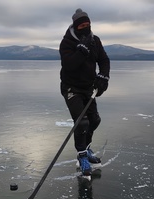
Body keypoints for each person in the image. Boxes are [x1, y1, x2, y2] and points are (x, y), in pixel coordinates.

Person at [59, 8, 110, 176]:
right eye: (82, 25)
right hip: (71, 88)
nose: (85, 27)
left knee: (94, 120)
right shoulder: (67, 43)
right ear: (75, 26)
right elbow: (70, 65)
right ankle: (82, 156)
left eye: (87, 24)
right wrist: (81, 51)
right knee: (81, 122)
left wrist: (103, 76)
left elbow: (103, 59)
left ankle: (86, 148)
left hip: (88, 87)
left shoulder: (95, 40)